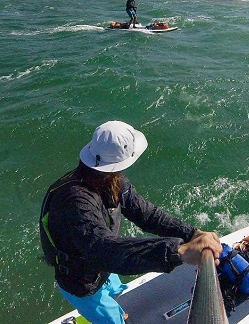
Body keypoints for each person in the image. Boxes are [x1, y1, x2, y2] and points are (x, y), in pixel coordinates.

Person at [40, 120, 222, 324]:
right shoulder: (75, 202)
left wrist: (192, 234)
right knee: (116, 321)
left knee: (120, 294)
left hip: (104, 271)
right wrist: (179, 251)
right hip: (82, 283)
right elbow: (104, 250)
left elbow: (147, 215)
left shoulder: (110, 180)